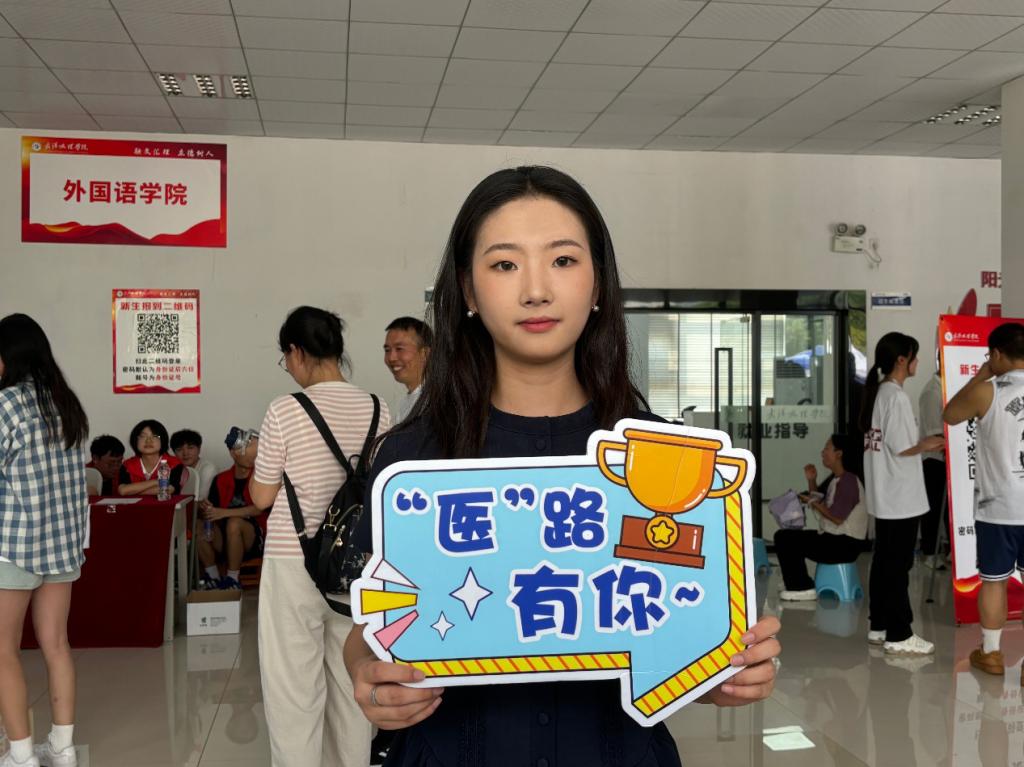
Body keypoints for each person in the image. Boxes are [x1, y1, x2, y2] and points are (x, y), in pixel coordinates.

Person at [344, 167, 781, 767]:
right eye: (504, 264)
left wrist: (727, 668)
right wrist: (368, 675)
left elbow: (687, 623)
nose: (536, 290)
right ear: (468, 291)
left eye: (563, 260)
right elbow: (371, 624)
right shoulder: (413, 459)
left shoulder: (671, 462)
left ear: (598, 281)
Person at [249, 306, 391, 767]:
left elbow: (261, 496)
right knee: (352, 680)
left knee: (293, 688)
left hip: (294, 560)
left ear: (296, 352)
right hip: (358, 563)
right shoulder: (378, 408)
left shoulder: (284, 409)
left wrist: (255, 459)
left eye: (285, 358)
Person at [0, 314, 89, 767]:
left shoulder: (5, 404)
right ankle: (62, 748)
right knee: (57, 645)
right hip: (62, 541)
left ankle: (20, 754)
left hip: (12, 543)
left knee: (3, 650)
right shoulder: (64, 404)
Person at [942, 322, 1024, 678]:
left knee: (994, 581)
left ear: (997, 354)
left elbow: (950, 415)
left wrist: (981, 374)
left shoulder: (987, 392)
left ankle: (991, 654)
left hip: (998, 508)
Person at [860, 332, 945, 656]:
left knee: (884, 562)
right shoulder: (895, 397)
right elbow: (903, 446)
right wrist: (930, 444)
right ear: (901, 360)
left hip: (886, 495)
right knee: (897, 566)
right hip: (900, 497)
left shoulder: (879, 393)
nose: (917, 362)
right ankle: (900, 633)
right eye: (914, 356)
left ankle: (879, 625)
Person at [774, 434, 869, 600]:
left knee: (785, 538)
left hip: (844, 544)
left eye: (827, 448)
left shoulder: (848, 481)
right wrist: (812, 481)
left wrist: (811, 501)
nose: (823, 452)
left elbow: (837, 518)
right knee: (787, 536)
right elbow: (822, 504)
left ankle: (801, 587)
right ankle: (794, 580)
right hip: (835, 540)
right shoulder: (838, 480)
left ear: (839, 454)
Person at [197, 428, 265, 591]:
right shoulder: (221, 479)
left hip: (254, 538)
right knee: (199, 525)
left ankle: (232, 579)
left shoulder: (262, 477)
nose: (254, 456)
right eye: (247, 450)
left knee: (234, 523)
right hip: (225, 538)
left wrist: (224, 513)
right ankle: (213, 577)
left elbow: (260, 508)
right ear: (233, 453)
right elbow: (212, 512)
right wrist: (205, 508)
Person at [918, 365, 947, 565]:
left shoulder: (947, 388)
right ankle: (929, 553)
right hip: (934, 460)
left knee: (948, 509)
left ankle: (949, 551)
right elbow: (934, 432)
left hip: (947, 460)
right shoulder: (931, 392)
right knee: (933, 508)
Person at [118, 419, 185, 496]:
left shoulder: (174, 464)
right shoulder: (128, 465)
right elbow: (123, 491)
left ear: (163, 440)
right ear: (135, 440)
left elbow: (168, 489)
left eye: (155, 436)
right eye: (143, 436)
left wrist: (133, 491)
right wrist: (156, 481)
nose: (148, 441)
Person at [383, 317, 431, 422]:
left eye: (399, 349)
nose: (391, 358)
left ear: (425, 353)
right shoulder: (406, 401)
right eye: (387, 350)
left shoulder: (434, 402)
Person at [171, 429, 217, 500]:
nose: (185, 453)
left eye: (190, 448)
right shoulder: (176, 470)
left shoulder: (208, 469)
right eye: (179, 449)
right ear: (174, 453)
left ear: (199, 449)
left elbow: (200, 499)